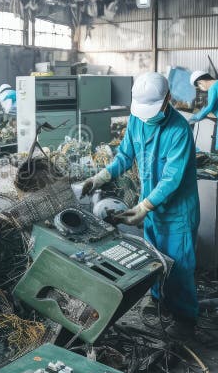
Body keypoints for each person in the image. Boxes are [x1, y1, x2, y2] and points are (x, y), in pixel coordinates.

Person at [81, 72, 200, 340]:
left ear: (168, 99)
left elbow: (172, 178)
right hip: (151, 205)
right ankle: (158, 300)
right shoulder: (137, 119)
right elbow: (125, 154)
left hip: (177, 210)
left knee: (179, 265)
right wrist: (101, 177)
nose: (147, 117)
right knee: (154, 257)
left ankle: (185, 319)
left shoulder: (179, 130)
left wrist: (145, 206)